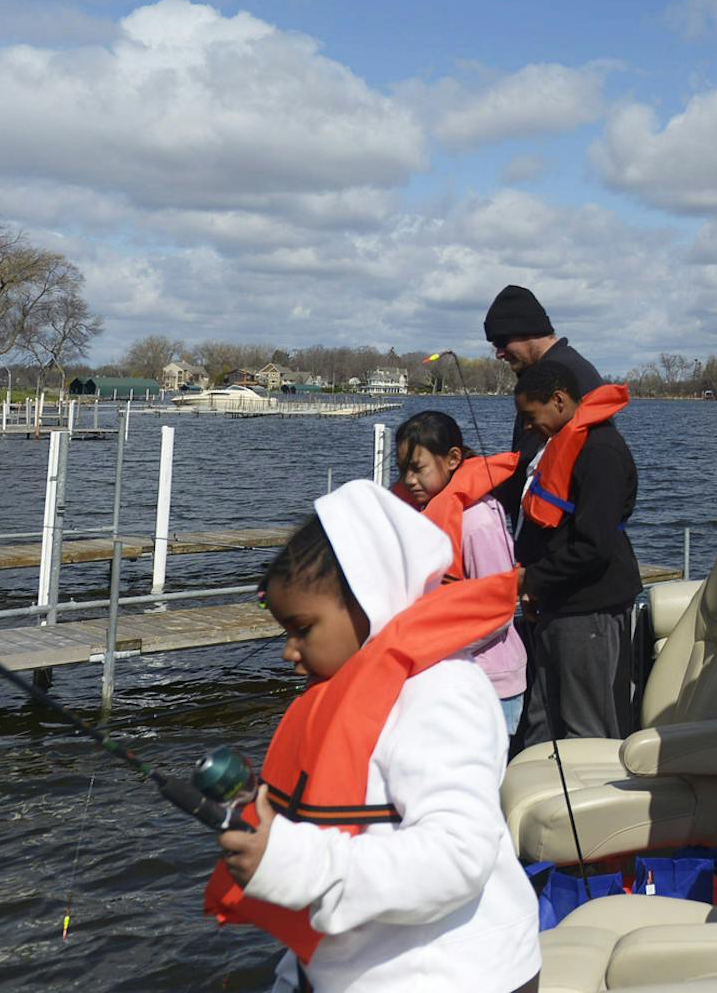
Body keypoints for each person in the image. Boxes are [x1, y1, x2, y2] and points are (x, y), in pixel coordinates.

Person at [205, 480, 541, 993]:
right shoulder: (338, 697)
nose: (289, 652)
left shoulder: (442, 693)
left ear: (369, 600)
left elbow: (457, 855)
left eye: (302, 629)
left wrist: (299, 863)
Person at [509, 358, 641, 748]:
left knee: (588, 732)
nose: (528, 427)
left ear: (559, 400)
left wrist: (531, 579)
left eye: (532, 417)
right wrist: (539, 590)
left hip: (590, 614)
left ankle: (597, 807)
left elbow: (592, 546)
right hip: (556, 607)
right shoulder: (562, 444)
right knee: (540, 725)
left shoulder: (602, 452)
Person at [394, 409, 526, 738]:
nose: (409, 480)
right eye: (402, 470)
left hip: (492, 685)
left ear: (453, 459)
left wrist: (433, 644)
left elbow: (499, 609)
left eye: (417, 468)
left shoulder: (478, 521)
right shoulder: (427, 512)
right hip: (448, 676)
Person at [482, 283, 604, 450]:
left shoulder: (562, 374)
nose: (499, 354)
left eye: (502, 342)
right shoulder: (563, 365)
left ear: (531, 331)